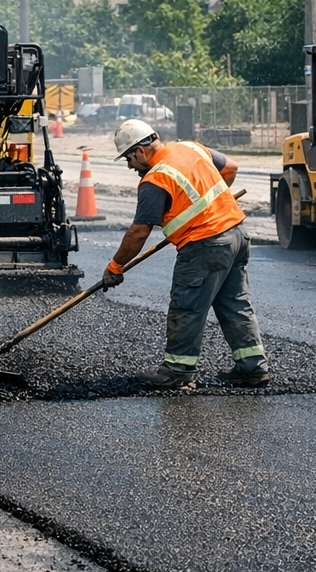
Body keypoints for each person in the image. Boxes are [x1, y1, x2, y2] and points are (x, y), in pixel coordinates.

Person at [103, 119, 268, 390]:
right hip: (237, 235)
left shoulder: (155, 179)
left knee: (187, 307)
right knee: (235, 304)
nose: (130, 166)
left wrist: (116, 266)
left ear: (141, 151)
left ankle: (177, 371)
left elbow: (139, 232)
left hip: (205, 246)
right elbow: (230, 167)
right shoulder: (190, 147)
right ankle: (252, 368)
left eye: (128, 159)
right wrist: (213, 205)